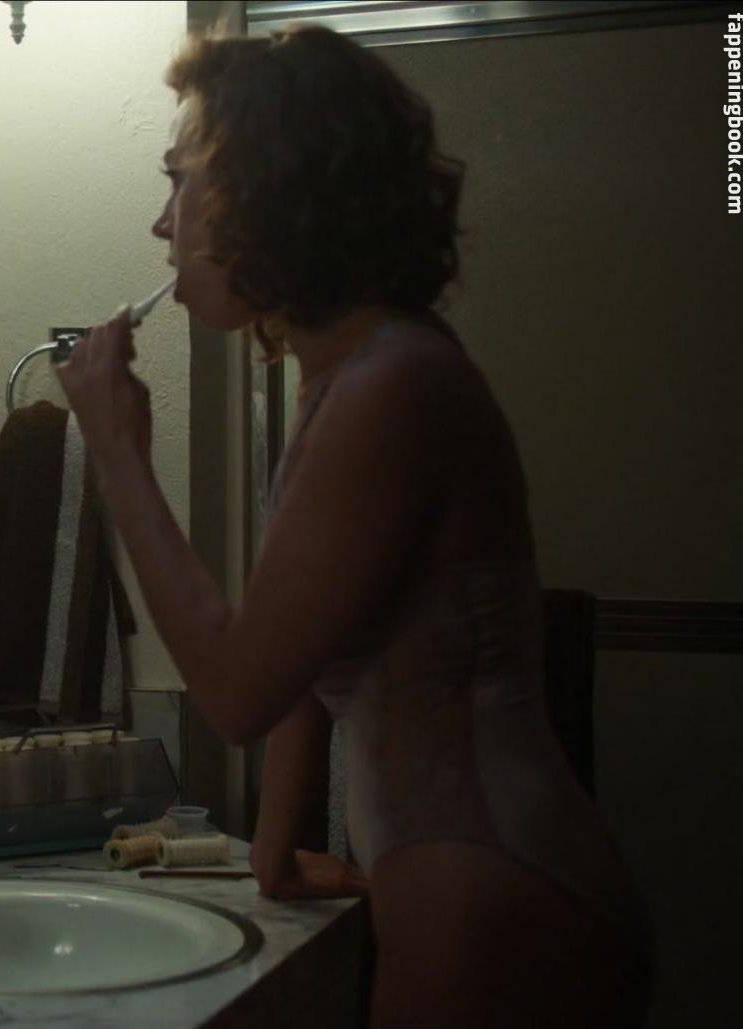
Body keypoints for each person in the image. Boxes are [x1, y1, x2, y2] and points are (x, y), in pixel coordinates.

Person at [55, 26, 650, 1027]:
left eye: (178, 181)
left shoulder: (389, 387)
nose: (162, 223)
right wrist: (275, 851)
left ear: (259, 190)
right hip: (472, 884)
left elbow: (238, 691)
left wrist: (118, 451)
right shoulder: (350, 374)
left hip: (492, 902)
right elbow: (306, 649)